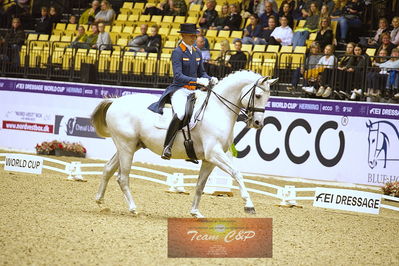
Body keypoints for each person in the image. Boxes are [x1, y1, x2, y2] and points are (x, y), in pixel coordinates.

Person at [148, 24, 218, 160]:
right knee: (180, 114)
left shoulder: (197, 52)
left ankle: (192, 148)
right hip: (180, 90)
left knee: (201, 115)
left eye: (195, 35)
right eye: (191, 35)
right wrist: (198, 80)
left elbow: (202, 72)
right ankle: (167, 146)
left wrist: (210, 79)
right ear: (183, 36)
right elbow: (178, 76)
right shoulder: (177, 52)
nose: (194, 37)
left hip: (194, 91)